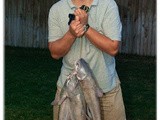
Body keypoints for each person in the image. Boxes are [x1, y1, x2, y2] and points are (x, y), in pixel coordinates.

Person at [48, 0, 126, 119]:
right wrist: (71, 34)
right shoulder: (57, 9)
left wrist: (86, 27)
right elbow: (55, 52)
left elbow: (113, 48)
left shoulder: (108, 5)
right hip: (69, 93)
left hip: (105, 92)